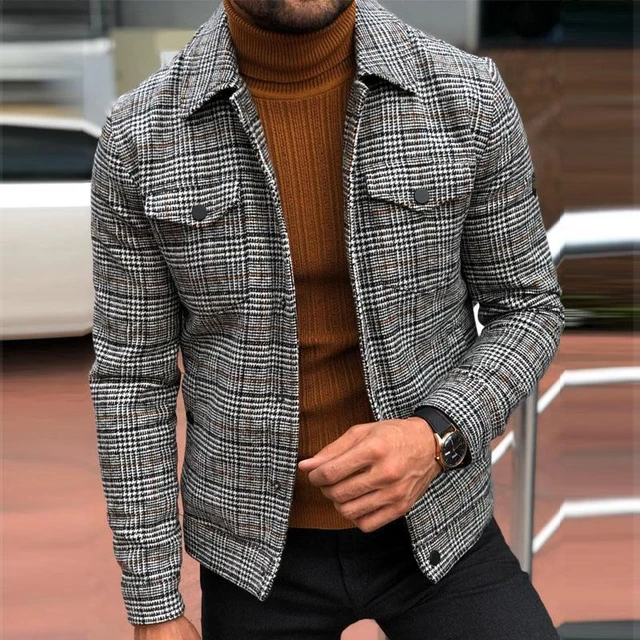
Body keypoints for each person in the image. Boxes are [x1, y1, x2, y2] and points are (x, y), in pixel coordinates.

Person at [88, 0, 565, 638]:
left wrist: (437, 436)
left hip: (442, 523)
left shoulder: (465, 96)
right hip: (251, 553)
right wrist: (154, 606)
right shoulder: (139, 138)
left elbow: (527, 306)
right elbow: (130, 377)